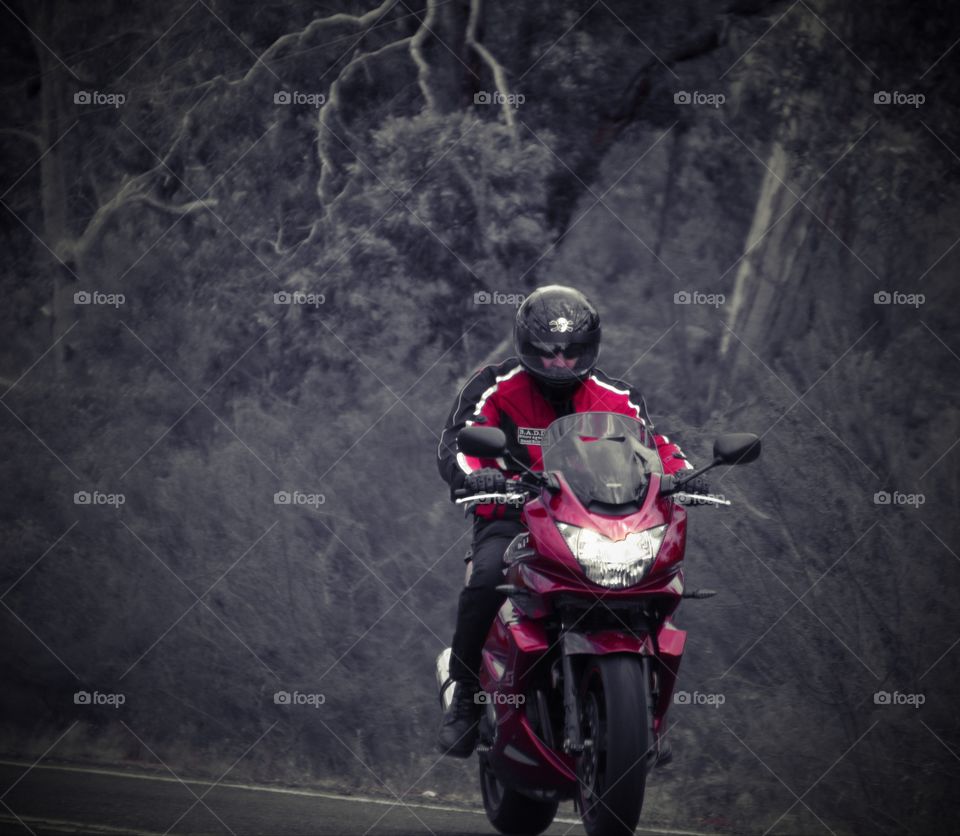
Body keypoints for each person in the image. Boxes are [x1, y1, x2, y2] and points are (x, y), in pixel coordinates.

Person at [435, 285, 700, 758]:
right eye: (547, 352)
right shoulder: (495, 386)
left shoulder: (618, 396)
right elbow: (459, 440)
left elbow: (655, 446)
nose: (560, 362)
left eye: (571, 351)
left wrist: (683, 475)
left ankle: (647, 714)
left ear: (589, 348)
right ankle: (467, 699)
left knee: (664, 583)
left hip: (600, 523)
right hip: (514, 518)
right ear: (526, 345)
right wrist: (476, 479)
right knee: (487, 579)